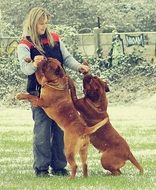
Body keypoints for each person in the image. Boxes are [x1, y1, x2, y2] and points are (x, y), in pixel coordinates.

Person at [17, 7, 89, 177]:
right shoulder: (24, 44)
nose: (44, 26)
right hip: (38, 93)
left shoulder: (55, 38)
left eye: (46, 23)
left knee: (60, 132)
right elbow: (25, 69)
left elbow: (67, 59)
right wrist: (34, 64)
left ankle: (59, 166)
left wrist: (79, 67)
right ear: (33, 23)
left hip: (62, 94)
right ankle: (41, 169)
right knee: (42, 131)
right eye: (41, 23)